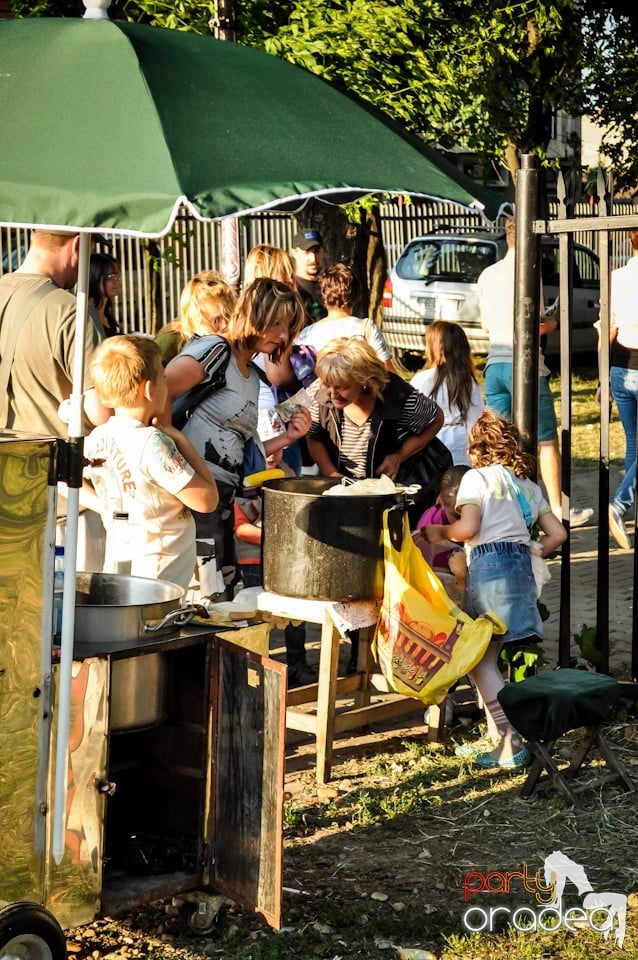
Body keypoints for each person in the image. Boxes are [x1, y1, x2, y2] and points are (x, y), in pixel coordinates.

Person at [421, 410, 567, 769]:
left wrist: (440, 533)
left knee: (479, 659)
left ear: (475, 451)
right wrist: (531, 550)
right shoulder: (529, 488)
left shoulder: (476, 480)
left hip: (487, 571)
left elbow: (468, 528)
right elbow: (558, 534)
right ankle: (496, 737)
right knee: (489, 656)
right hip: (520, 572)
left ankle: (508, 740)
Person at [165, 278, 310, 599]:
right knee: (198, 598)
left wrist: (289, 437)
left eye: (288, 328)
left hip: (222, 505)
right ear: (253, 315)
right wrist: (174, 456)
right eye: (276, 324)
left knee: (219, 599)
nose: (283, 336)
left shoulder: (253, 376)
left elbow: (243, 454)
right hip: (189, 500)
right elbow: (157, 393)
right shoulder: (215, 350)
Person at [0, 228, 110, 569]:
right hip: (64, 508)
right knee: (71, 618)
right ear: (78, 246)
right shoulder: (73, 312)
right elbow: (101, 412)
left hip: (8, 498)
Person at [476, 216, 593, 528]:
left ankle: (506, 507)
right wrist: (552, 323)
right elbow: (534, 323)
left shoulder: (487, 275)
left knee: (502, 440)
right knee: (544, 441)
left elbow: (485, 324)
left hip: (495, 363)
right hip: (526, 364)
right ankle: (555, 510)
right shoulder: (530, 273)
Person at [85, 335, 219, 590]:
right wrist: (183, 441)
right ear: (148, 389)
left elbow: (63, 478)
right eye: (164, 379)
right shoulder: (153, 444)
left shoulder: (98, 437)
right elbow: (206, 500)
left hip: (121, 563)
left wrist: (103, 505)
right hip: (161, 575)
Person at [307, 337, 443, 481]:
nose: (333, 394)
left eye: (342, 387)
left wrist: (400, 455)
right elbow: (314, 436)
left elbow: (436, 419)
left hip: (393, 486)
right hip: (342, 488)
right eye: (327, 385)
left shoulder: (398, 396)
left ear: (364, 380)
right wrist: (331, 474)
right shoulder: (318, 394)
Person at [233, 458, 317, 686]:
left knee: (295, 615)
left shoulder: (285, 473)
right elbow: (240, 528)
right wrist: (278, 537)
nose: (272, 454)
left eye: (279, 447)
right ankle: (258, 668)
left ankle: (297, 664)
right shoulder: (240, 478)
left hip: (288, 559)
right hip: (254, 560)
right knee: (258, 618)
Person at [602, 229, 638, 550]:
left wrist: (603, 379)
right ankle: (619, 505)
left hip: (619, 367)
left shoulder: (618, 276)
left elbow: (609, 328)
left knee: (634, 443)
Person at [297, 261, 394, 370]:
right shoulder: (366, 328)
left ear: (323, 295)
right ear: (357, 295)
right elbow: (389, 373)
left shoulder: (306, 335)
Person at [411, 320, 484, 465]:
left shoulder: (421, 379)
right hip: (461, 444)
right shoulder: (469, 382)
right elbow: (475, 421)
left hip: (430, 444)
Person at [155, 270, 236, 365]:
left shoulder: (233, 341)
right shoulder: (169, 343)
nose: (225, 325)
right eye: (215, 321)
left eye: (228, 316)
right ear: (194, 319)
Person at [414, 464, 470, 580]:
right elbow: (438, 580)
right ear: (440, 501)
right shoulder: (431, 527)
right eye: (457, 516)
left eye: (474, 511)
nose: (468, 521)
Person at [290, 226, 327, 323]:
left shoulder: (331, 286)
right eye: (307, 252)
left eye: (316, 252)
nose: (313, 259)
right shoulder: (290, 290)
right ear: (294, 253)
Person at [89, 251, 121, 337]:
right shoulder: (88, 317)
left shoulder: (106, 314)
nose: (117, 281)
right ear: (95, 277)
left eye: (117, 275)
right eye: (111, 277)